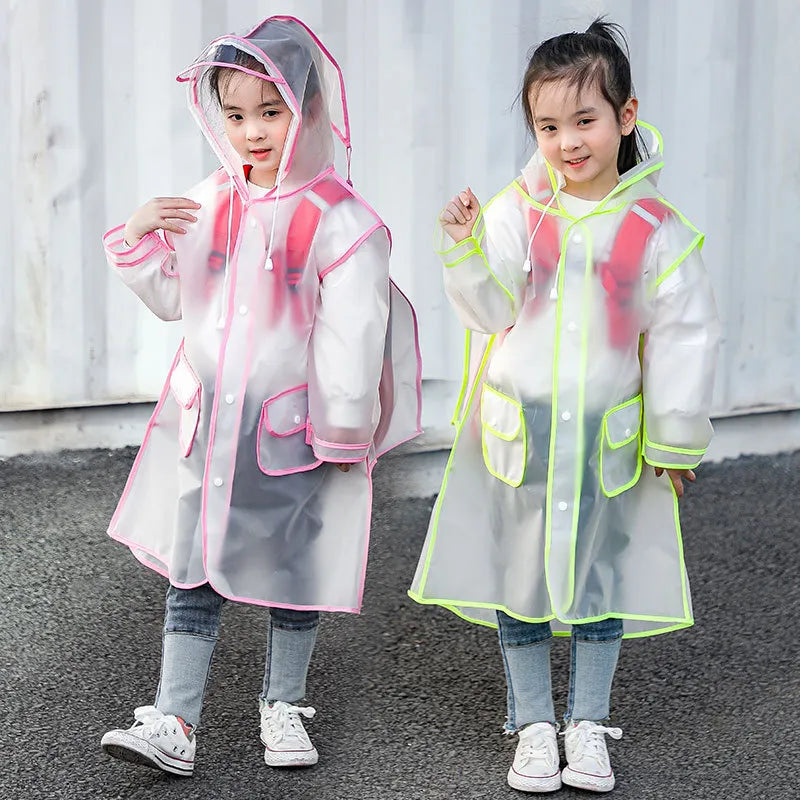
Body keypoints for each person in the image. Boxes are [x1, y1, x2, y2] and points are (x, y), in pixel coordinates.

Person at [99, 15, 421, 777]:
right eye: (236, 114)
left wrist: (344, 431)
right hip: (210, 429)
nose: (251, 132)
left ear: (307, 110)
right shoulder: (210, 200)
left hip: (291, 434)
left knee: (293, 573)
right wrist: (138, 238)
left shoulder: (340, 221)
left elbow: (354, 335)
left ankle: (283, 705)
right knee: (194, 568)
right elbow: (176, 298)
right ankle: (175, 720)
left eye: (269, 112)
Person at [409, 17, 720, 794]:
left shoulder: (655, 230)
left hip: (607, 443)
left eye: (584, 120)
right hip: (520, 434)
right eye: (548, 126)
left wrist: (674, 441)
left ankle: (587, 722)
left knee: (598, 581)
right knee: (521, 579)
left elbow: (686, 336)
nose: (567, 141)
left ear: (627, 115)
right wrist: (463, 246)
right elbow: (489, 308)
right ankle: (534, 722)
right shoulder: (521, 212)